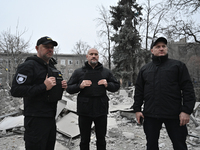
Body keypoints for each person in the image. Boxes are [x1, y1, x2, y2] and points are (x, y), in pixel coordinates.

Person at [132, 37, 196, 150]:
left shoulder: (178, 66)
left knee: (180, 145)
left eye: (164, 46)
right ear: (152, 50)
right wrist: (137, 109)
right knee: (151, 145)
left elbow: (188, 89)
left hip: (174, 114)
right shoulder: (145, 69)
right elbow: (139, 91)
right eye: (158, 47)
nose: (161, 49)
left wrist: (186, 111)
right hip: (151, 114)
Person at [10, 36, 67, 150]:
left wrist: (61, 87)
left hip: (51, 118)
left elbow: (50, 90)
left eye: (52, 47)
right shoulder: (28, 66)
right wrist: (43, 86)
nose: (50, 49)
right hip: (35, 119)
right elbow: (15, 90)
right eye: (46, 47)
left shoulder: (51, 67)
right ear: (37, 48)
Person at [66, 48, 120, 150]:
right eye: (91, 54)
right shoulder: (79, 72)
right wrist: (79, 86)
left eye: (96, 54)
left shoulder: (106, 72)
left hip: (101, 109)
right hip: (84, 110)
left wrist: (107, 84)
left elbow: (116, 86)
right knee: (84, 139)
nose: (94, 56)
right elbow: (68, 88)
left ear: (98, 56)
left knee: (101, 139)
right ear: (87, 56)